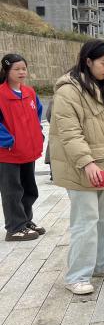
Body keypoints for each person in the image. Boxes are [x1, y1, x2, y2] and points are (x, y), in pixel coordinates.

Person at [49, 40, 104, 295]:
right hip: (83, 167)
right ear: (88, 61)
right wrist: (87, 163)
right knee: (85, 220)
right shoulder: (68, 92)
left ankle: (101, 263)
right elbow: (70, 134)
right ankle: (77, 275)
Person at [0, 54, 45, 241]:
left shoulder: (29, 92)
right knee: (12, 190)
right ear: (6, 71)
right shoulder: (1, 94)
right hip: (8, 153)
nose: (21, 72)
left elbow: (38, 114)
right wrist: (7, 140)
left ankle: (26, 221)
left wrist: (38, 133)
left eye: (23, 68)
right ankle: (15, 227)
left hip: (27, 150)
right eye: (16, 69)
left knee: (29, 188)